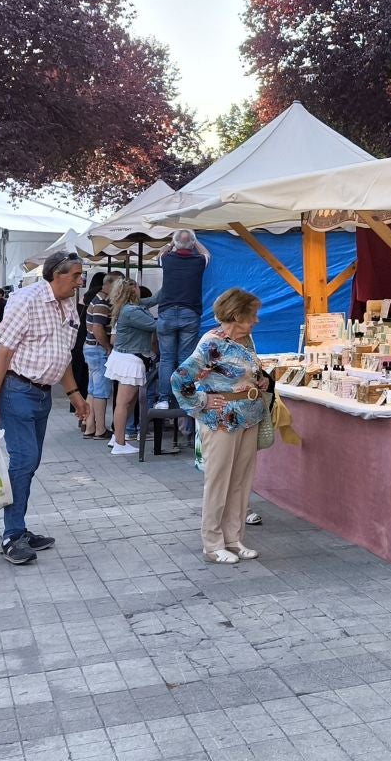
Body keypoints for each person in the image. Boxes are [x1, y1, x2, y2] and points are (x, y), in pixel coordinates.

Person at [0, 252, 89, 566]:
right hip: (16, 391)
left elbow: (64, 355)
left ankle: (19, 528)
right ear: (57, 274)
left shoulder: (70, 307)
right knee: (24, 459)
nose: (80, 281)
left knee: (31, 461)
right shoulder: (25, 301)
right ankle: (12, 535)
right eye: (77, 275)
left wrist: (75, 395)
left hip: (42, 396)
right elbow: (2, 355)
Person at [172, 288, 271, 564]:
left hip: (248, 415)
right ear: (237, 315)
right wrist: (201, 401)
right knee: (219, 482)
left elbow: (248, 370)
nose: (256, 320)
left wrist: (261, 380)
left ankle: (234, 539)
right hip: (222, 420)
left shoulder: (246, 339)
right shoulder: (211, 343)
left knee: (241, 480)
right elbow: (180, 378)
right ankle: (212, 543)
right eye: (252, 315)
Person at [152, 232, 208, 428]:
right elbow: (207, 253)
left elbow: (160, 252)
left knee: (166, 358)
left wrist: (171, 243)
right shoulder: (199, 261)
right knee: (185, 357)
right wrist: (196, 241)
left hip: (166, 312)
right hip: (189, 313)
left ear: (176, 244)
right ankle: (184, 397)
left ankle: (163, 399)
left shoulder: (166, 259)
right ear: (192, 244)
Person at [107, 282, 157, 457]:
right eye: (137, 286)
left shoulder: (132, 307)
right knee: (123, 402)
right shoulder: (132, 311)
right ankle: (119, 443)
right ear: (132, 290)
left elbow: (154, 299)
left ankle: (117, 437)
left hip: (127, 358)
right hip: (130, 359)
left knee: (129, 401)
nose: (140, 288)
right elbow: (155, 325)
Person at [80, 275, 114, 438]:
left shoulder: (95, 298)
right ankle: (100, 429)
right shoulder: (102, 302)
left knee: (93, 390)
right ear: (110, 285)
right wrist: (107, 347)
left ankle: (90, 426)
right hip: (98, 349)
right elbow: (98, 328)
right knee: (101, 391)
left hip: (90, 347)